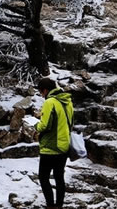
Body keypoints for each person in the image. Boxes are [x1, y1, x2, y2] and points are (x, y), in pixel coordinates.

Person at [34, 78, 74, 209]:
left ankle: (51, 205)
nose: (41, 95)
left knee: (43, 178)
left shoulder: (49, 102)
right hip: (64, 146)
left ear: (45, 90)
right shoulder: (68, 102)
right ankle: (59, 205)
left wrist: (35, 124)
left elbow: (44, 125)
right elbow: (70, 123)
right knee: (59, 177)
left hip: (50, 147)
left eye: (41, 92)